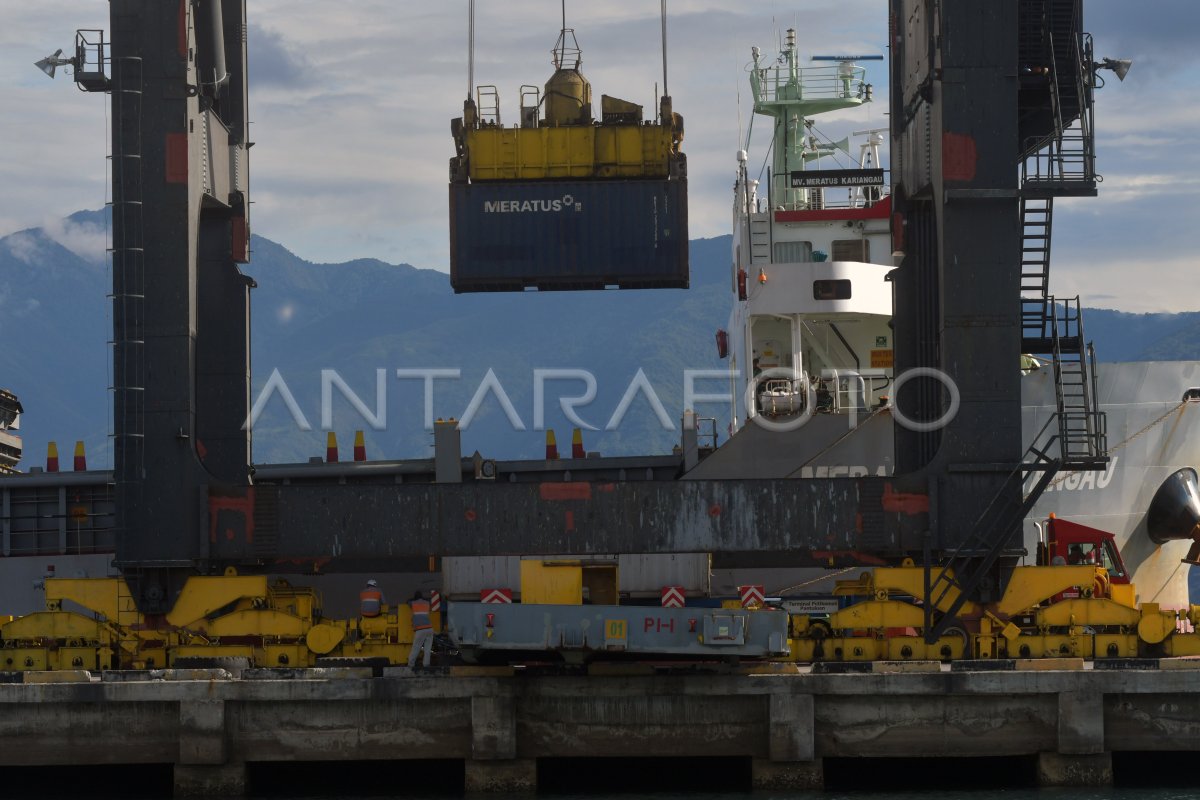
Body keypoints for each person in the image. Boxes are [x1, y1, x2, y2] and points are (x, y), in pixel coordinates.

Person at [408, 590, 434, 670]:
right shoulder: (427, 603)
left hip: (420, 630)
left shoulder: (413, 603)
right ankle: (426, 665)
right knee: (427, 649)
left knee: (416, 648)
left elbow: (408, 602)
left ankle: (410, 665)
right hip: (429, 629)